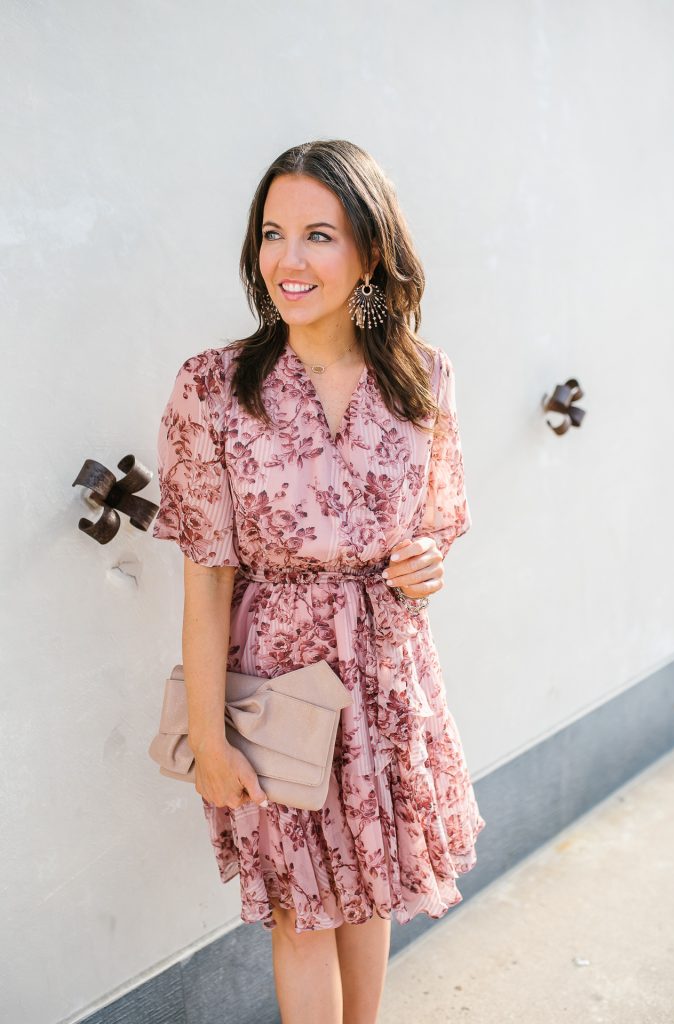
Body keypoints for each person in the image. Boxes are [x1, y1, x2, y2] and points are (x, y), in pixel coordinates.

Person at [152, 138, 486, 1024]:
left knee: (369, 893)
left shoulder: (423, 376)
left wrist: (425, 564)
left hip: (388, 680)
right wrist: (208, 738)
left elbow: (432, 533)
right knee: (300, 909)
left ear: (370, 250)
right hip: (279, 683)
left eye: (317, 235)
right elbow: (206, 581)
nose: (286, 261)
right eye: (272, 233)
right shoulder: (214, 388)